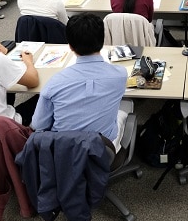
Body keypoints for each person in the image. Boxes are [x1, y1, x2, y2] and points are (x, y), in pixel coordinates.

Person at [31, 13, 128, 147]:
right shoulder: (120, 75)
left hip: (63, 152)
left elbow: (38, 124)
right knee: (124, 111)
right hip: (104, 150)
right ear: (103, 40)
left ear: (70, 46)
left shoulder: (54, 82)